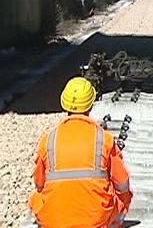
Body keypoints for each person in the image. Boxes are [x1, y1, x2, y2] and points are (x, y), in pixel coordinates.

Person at [28, 77, 133, 228]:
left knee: (35, 198)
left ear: (64, 104)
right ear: (91, 105)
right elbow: (122, 183)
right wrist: (122, 206)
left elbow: (39, 183)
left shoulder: (48, 140)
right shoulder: (104, 139)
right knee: (120, 196)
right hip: (95, 221)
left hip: (54, 222)